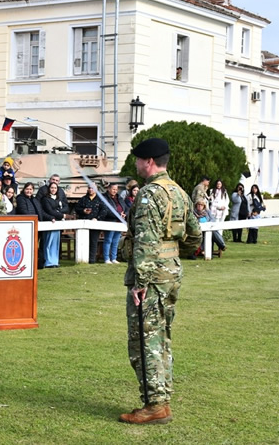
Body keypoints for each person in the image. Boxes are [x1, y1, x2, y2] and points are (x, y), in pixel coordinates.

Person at [119, 137, 201, 425]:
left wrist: (140, 282)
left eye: (139, 160)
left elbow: (145, 242)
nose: (137, 165)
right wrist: (173, 255)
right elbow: (194, 235)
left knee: (145, 339)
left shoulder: (149, 194)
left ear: (149, 161)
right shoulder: (178, 191)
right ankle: (161, 399)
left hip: (151, 278)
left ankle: (154, 405)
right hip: (171, 273)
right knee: (162, 335)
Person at [36, 174, 69, 268]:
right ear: (50, 180)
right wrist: (59, 215)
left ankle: (54, 261)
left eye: (56, 181)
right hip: (47, 220)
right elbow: (43, 208)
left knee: (55, 242)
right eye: (53, 180)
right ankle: (45, 261)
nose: (54, 182)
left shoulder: (60, 192)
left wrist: (60, 212)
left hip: (57, 222)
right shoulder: (43, 192)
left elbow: (65, 205)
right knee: (46, 242)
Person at [75, 183, 106, 264]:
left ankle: (92, 260)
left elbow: (104, 210)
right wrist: (83, 211)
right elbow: (77, 208)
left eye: (92, 188)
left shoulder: (100, 199)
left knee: (93, 242)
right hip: (84, 223)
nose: (90, 189)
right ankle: (83, 259)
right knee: (84, 242)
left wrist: (97, 218)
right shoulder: (83, 199)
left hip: (95, 224)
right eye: (89, 188)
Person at [102, 183, 127, 264]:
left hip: (119, 222)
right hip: (110, 221)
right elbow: (106, 210)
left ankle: (114, 258)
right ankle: (106, 258)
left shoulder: (119, 198)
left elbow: (125, 207)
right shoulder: (105, 197)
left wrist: (125, 213)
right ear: (109, 189)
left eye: (116, 189)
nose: (115, 191)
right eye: (113, 189)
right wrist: (118, 214)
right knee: (108, 239)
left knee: (116, 240)